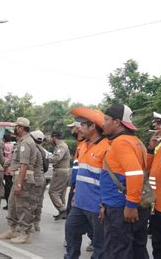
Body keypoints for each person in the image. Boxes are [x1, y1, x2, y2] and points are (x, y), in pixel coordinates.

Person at [100, 104, 149, 259]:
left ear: (117, 122)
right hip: (130, 204)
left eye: (106, 119)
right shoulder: (136, 141)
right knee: (137, 250)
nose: (103, 123)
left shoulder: (121, 143)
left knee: (117, 251)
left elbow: (135, 172)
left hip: (121, 207)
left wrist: (130, 205)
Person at [64, 107, 108, 259]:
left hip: (97, 206)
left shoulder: (107, 147)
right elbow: (81, 175)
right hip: (80, 203)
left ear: (93, 127)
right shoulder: (83, 145)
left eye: (83, 125)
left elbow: (107, 180)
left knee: (100, 243)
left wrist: (104, 204)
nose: (79, 128)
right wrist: (75, 194)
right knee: (71, 230)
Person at [0, 117, 38, 244]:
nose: (14, 129)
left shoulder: (26, 143)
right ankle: (11, 229)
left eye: (16, 127)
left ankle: (24, 234)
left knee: (23, 206)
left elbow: (24, 165)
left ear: (21, 128)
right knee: (13, 205)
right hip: (17, 177)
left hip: (23, 179)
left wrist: (19, 184)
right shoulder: (21, 142)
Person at [147, 115, 161, 259]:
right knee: (159, 245)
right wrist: (150, 148)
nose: (159, 126)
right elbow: (147, 168)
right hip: (158, 207)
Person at [48, 130, 71, 220]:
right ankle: (63, 213)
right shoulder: (61, 145)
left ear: (54, 137)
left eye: (51, 138)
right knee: (61, 193)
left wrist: (46, 158)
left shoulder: (61, 146)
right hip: (63, 171)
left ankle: (62, 209)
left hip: (60, 171)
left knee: (52, 192)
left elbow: (57, 158)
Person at [29, 130, 46, 232]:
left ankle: (30, 224)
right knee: (39, 202)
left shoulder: (34, 150)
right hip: (42, 177)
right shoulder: (43, 150)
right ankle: (36, 223)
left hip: (35, 178)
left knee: (32, 201)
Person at [2, 130, 15, 210]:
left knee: (7, 187)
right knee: (11, 186)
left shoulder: (4, 146)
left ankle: (9, 203)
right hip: (12, 169)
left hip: (6, 169)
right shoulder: (13, 145)